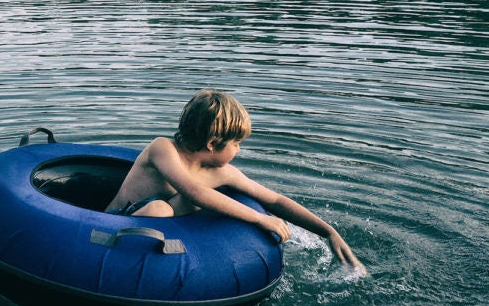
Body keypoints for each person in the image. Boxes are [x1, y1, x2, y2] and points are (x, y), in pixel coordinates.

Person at [105, 89, 365, 273]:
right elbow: (194, 191)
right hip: (112, 224)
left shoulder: (221, 172)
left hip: (168, 233)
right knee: (162, 208)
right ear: (211, 144)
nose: (239, 151)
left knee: (192, 205)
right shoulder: (162, 149)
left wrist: (328, 232)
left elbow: (274, 199)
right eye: (237, 144)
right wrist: (259, 218)